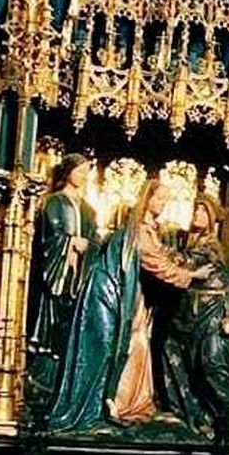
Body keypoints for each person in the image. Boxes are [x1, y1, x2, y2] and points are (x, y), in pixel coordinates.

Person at [49, 179, 170, 432]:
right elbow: (155, 263)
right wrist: (189, 275)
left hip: (134, 297)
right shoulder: (134, 231)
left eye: (165, 200)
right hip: (111, 295)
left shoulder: (153, 231)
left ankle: (123, 402)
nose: (162, 204)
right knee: (108, 347)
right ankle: (103, 406)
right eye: (158, 198)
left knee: (136, 346)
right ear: (146, 199)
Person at [157, 194, 229, 442]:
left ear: (212, 218)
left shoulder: (209, 246)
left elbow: (182, 262)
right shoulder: (188, 242)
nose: (197, 215)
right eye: (195, 210)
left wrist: (152, 243)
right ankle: (194, 415)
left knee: (212, 365)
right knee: (173, 354)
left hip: (215, 315)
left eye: (203, 211)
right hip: (189, 316)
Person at [28, 155, 100, 402]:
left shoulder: (88, 209)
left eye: (86, 172)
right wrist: (69, 243)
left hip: (77, 280)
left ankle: (64, 387)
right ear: (68, 172)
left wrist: (87, 246)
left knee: (72, 330)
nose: (83, 176)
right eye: (79, 171)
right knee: (51, 328)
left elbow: (94, 242)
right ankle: (42, 383)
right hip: (58, 278)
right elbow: (48, 238)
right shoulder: (54, 202)